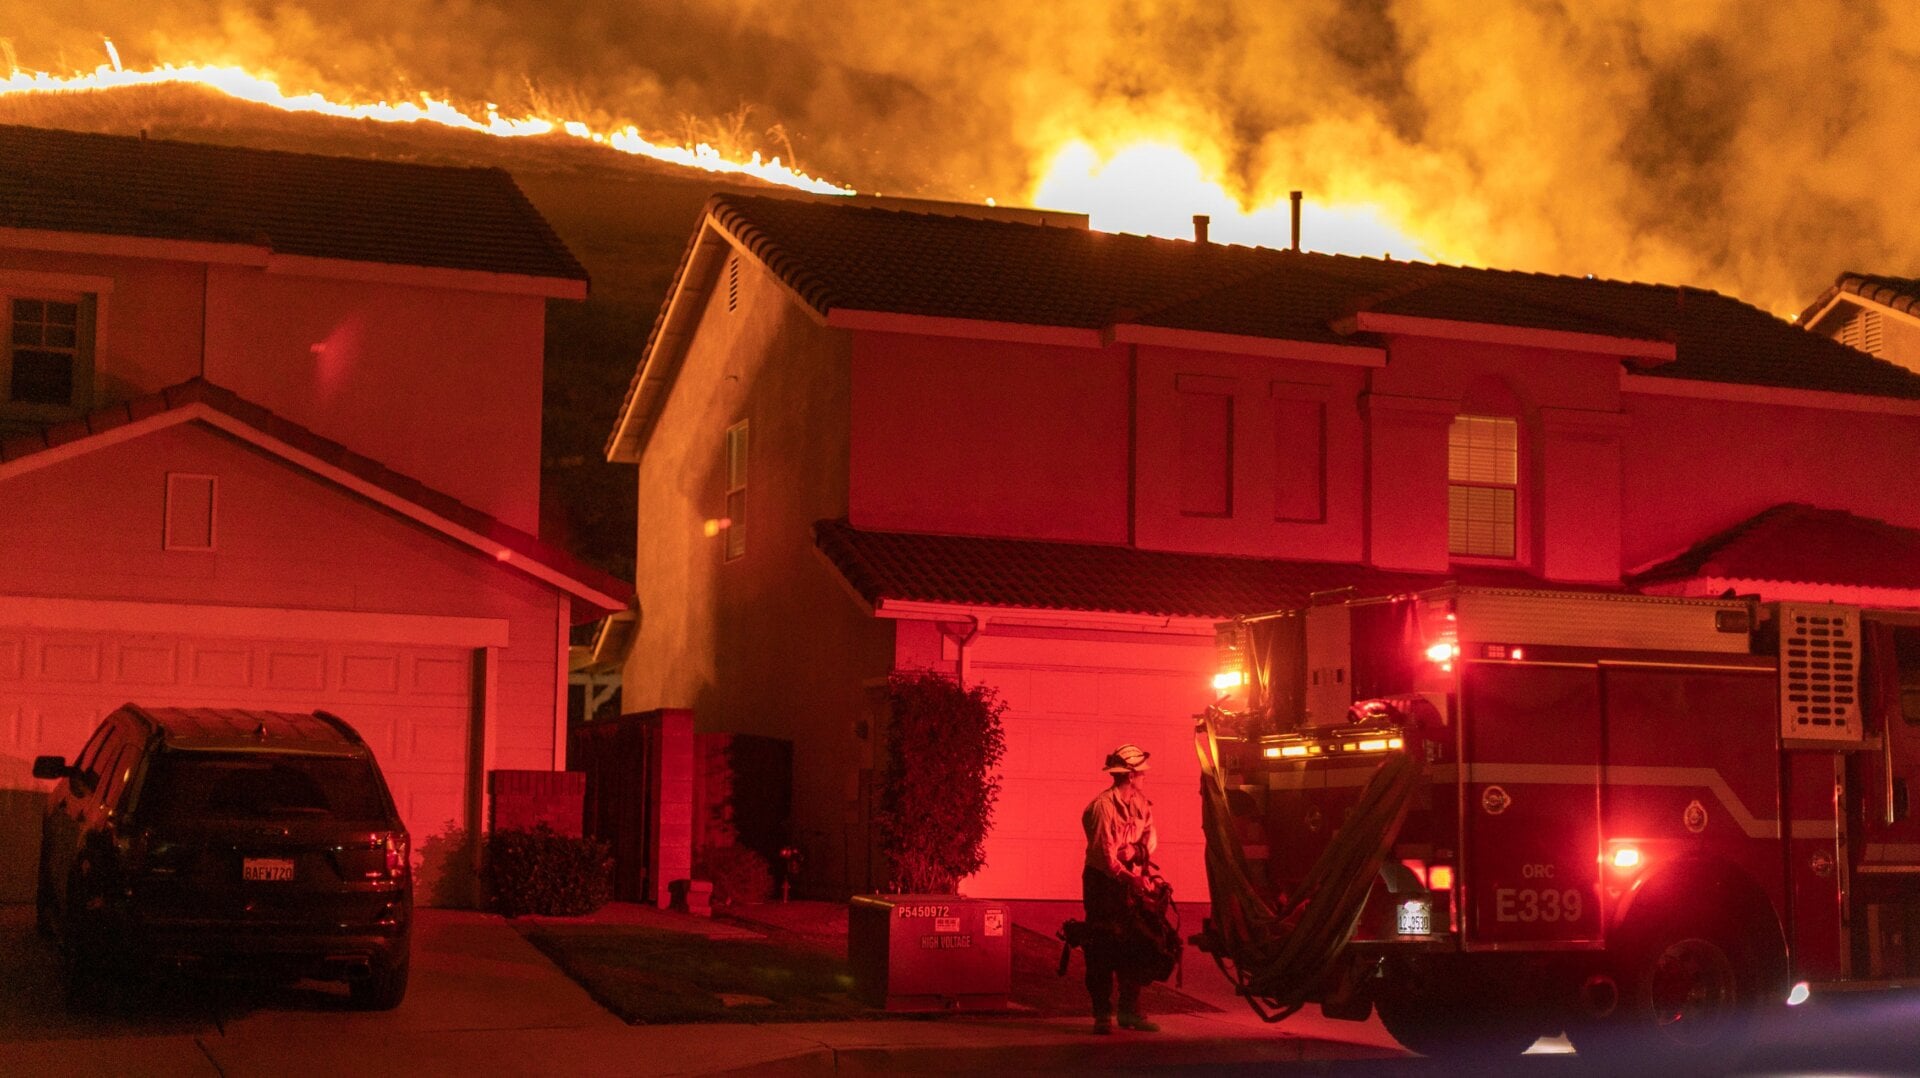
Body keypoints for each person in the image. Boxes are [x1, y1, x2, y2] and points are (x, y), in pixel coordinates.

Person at [1081, 742, 1161, 1034]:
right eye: (1140, 773)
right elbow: (1106, 858)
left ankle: (1130, 1013)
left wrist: (1137, 853)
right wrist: (1133, 878)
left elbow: (1151, 839)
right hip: (1103, 885)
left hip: (1131, 884)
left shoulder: (1141, 803)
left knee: (1136, 944)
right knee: (1102, 946)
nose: (1144, 777)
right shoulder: (1103, 807)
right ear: (1129, 775)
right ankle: (1102, 1014)